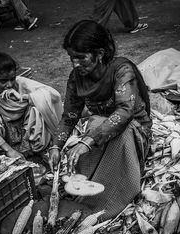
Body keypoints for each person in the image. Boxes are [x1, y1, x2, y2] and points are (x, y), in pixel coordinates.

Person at [47, 20, 152, 219]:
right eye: (71, 58)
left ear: (100, 53)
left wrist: (88, 141)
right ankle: (88, 188)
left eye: (81, 58)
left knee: (115, 131)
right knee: (90, 128)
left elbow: (125, 112)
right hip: (99, 129)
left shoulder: (121, 71)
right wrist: (55, 147)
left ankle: (114, 196)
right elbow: (69, 116)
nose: (74, 64)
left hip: (134, 129)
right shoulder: (76, 77)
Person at [0, 52, 63, 159]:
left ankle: (36, 149)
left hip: (26, 134)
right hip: (3, 142)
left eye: (12, 79)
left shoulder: (19, 82)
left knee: (39, 104)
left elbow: (53, 96)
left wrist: (23, 97)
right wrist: (8, 150)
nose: (9, 85)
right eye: (3, 81)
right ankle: (4, 155)